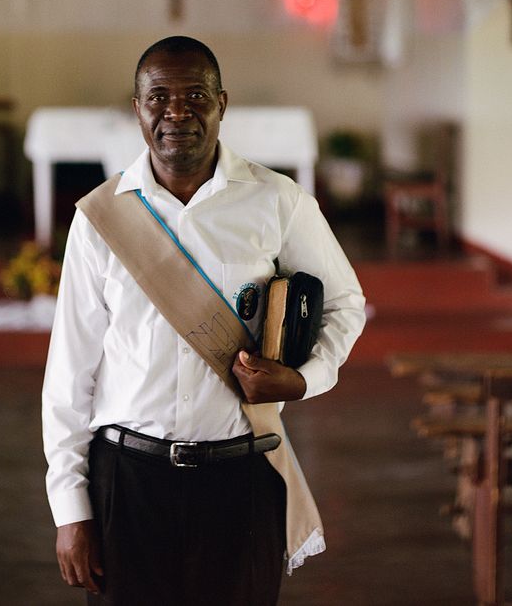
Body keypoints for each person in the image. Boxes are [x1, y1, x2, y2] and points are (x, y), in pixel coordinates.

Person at [42, 36, 366, 605]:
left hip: (239, 477)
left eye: (195, 95)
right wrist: (71, 511)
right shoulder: (100, 217)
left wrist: (305, 379)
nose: (176, 111)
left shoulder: (277, 201)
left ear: (222, 103)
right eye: (158, 97)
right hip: (127, 479)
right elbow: (69, 375)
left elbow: (346, 304)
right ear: (138, 107)